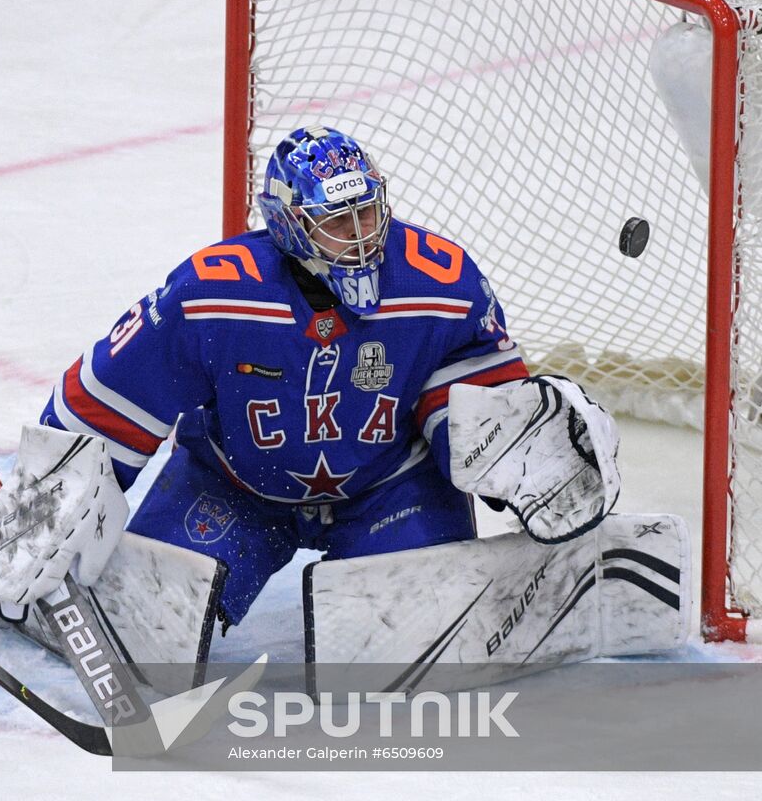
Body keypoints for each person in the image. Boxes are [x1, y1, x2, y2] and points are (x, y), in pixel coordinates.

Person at [36, 125, 536, 628]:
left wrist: (528, 460)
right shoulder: (213, 295)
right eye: (337, 222)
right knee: (148, 622)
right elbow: (110, 399)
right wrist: (43, 511)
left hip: (390, 488)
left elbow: (479, 398)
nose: (362, 236)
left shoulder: (440, 282)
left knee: (415, 631)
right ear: (290, 225)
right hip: (234, 487)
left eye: (366, 212)